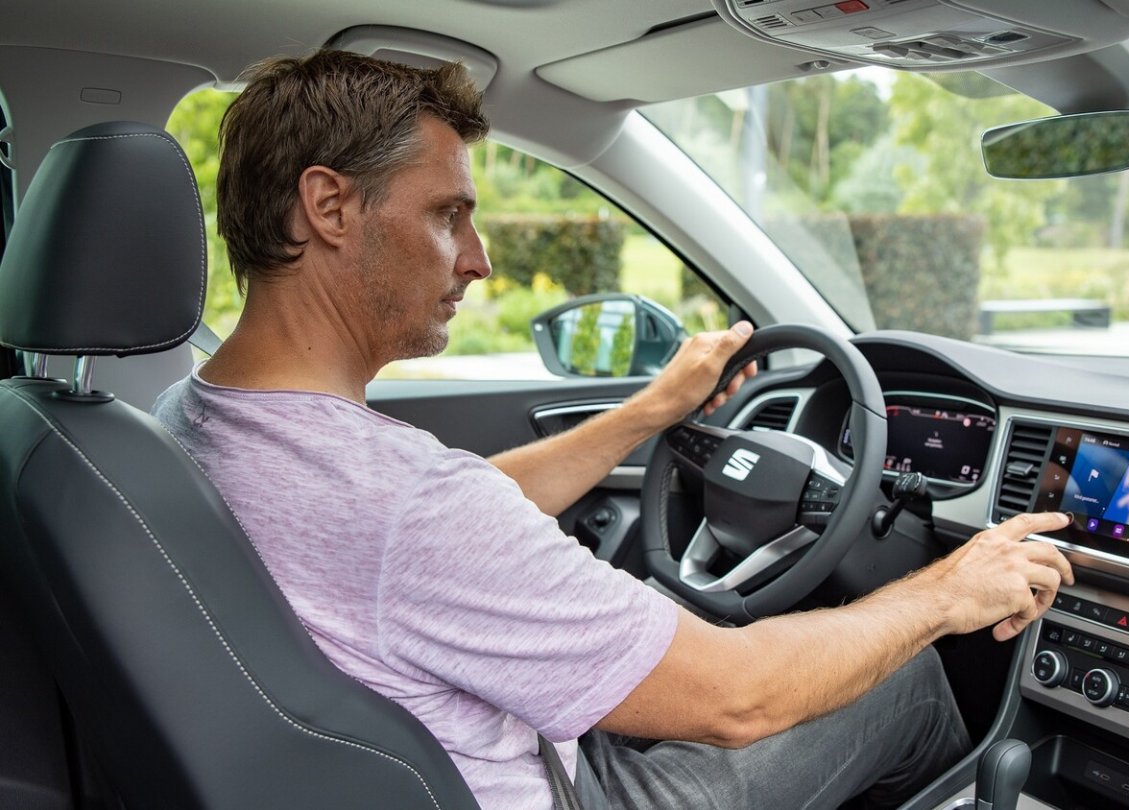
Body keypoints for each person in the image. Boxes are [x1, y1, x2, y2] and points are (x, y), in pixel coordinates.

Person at [153, 50, 1074, 810]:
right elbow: (738, 697)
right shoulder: (409, 505)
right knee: (907, 675)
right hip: (563, 792)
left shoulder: (191, 419)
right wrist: (947, 591)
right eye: (448, 215)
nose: (478, 260)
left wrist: (649, 413)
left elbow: (449, 528)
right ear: (329, 206)